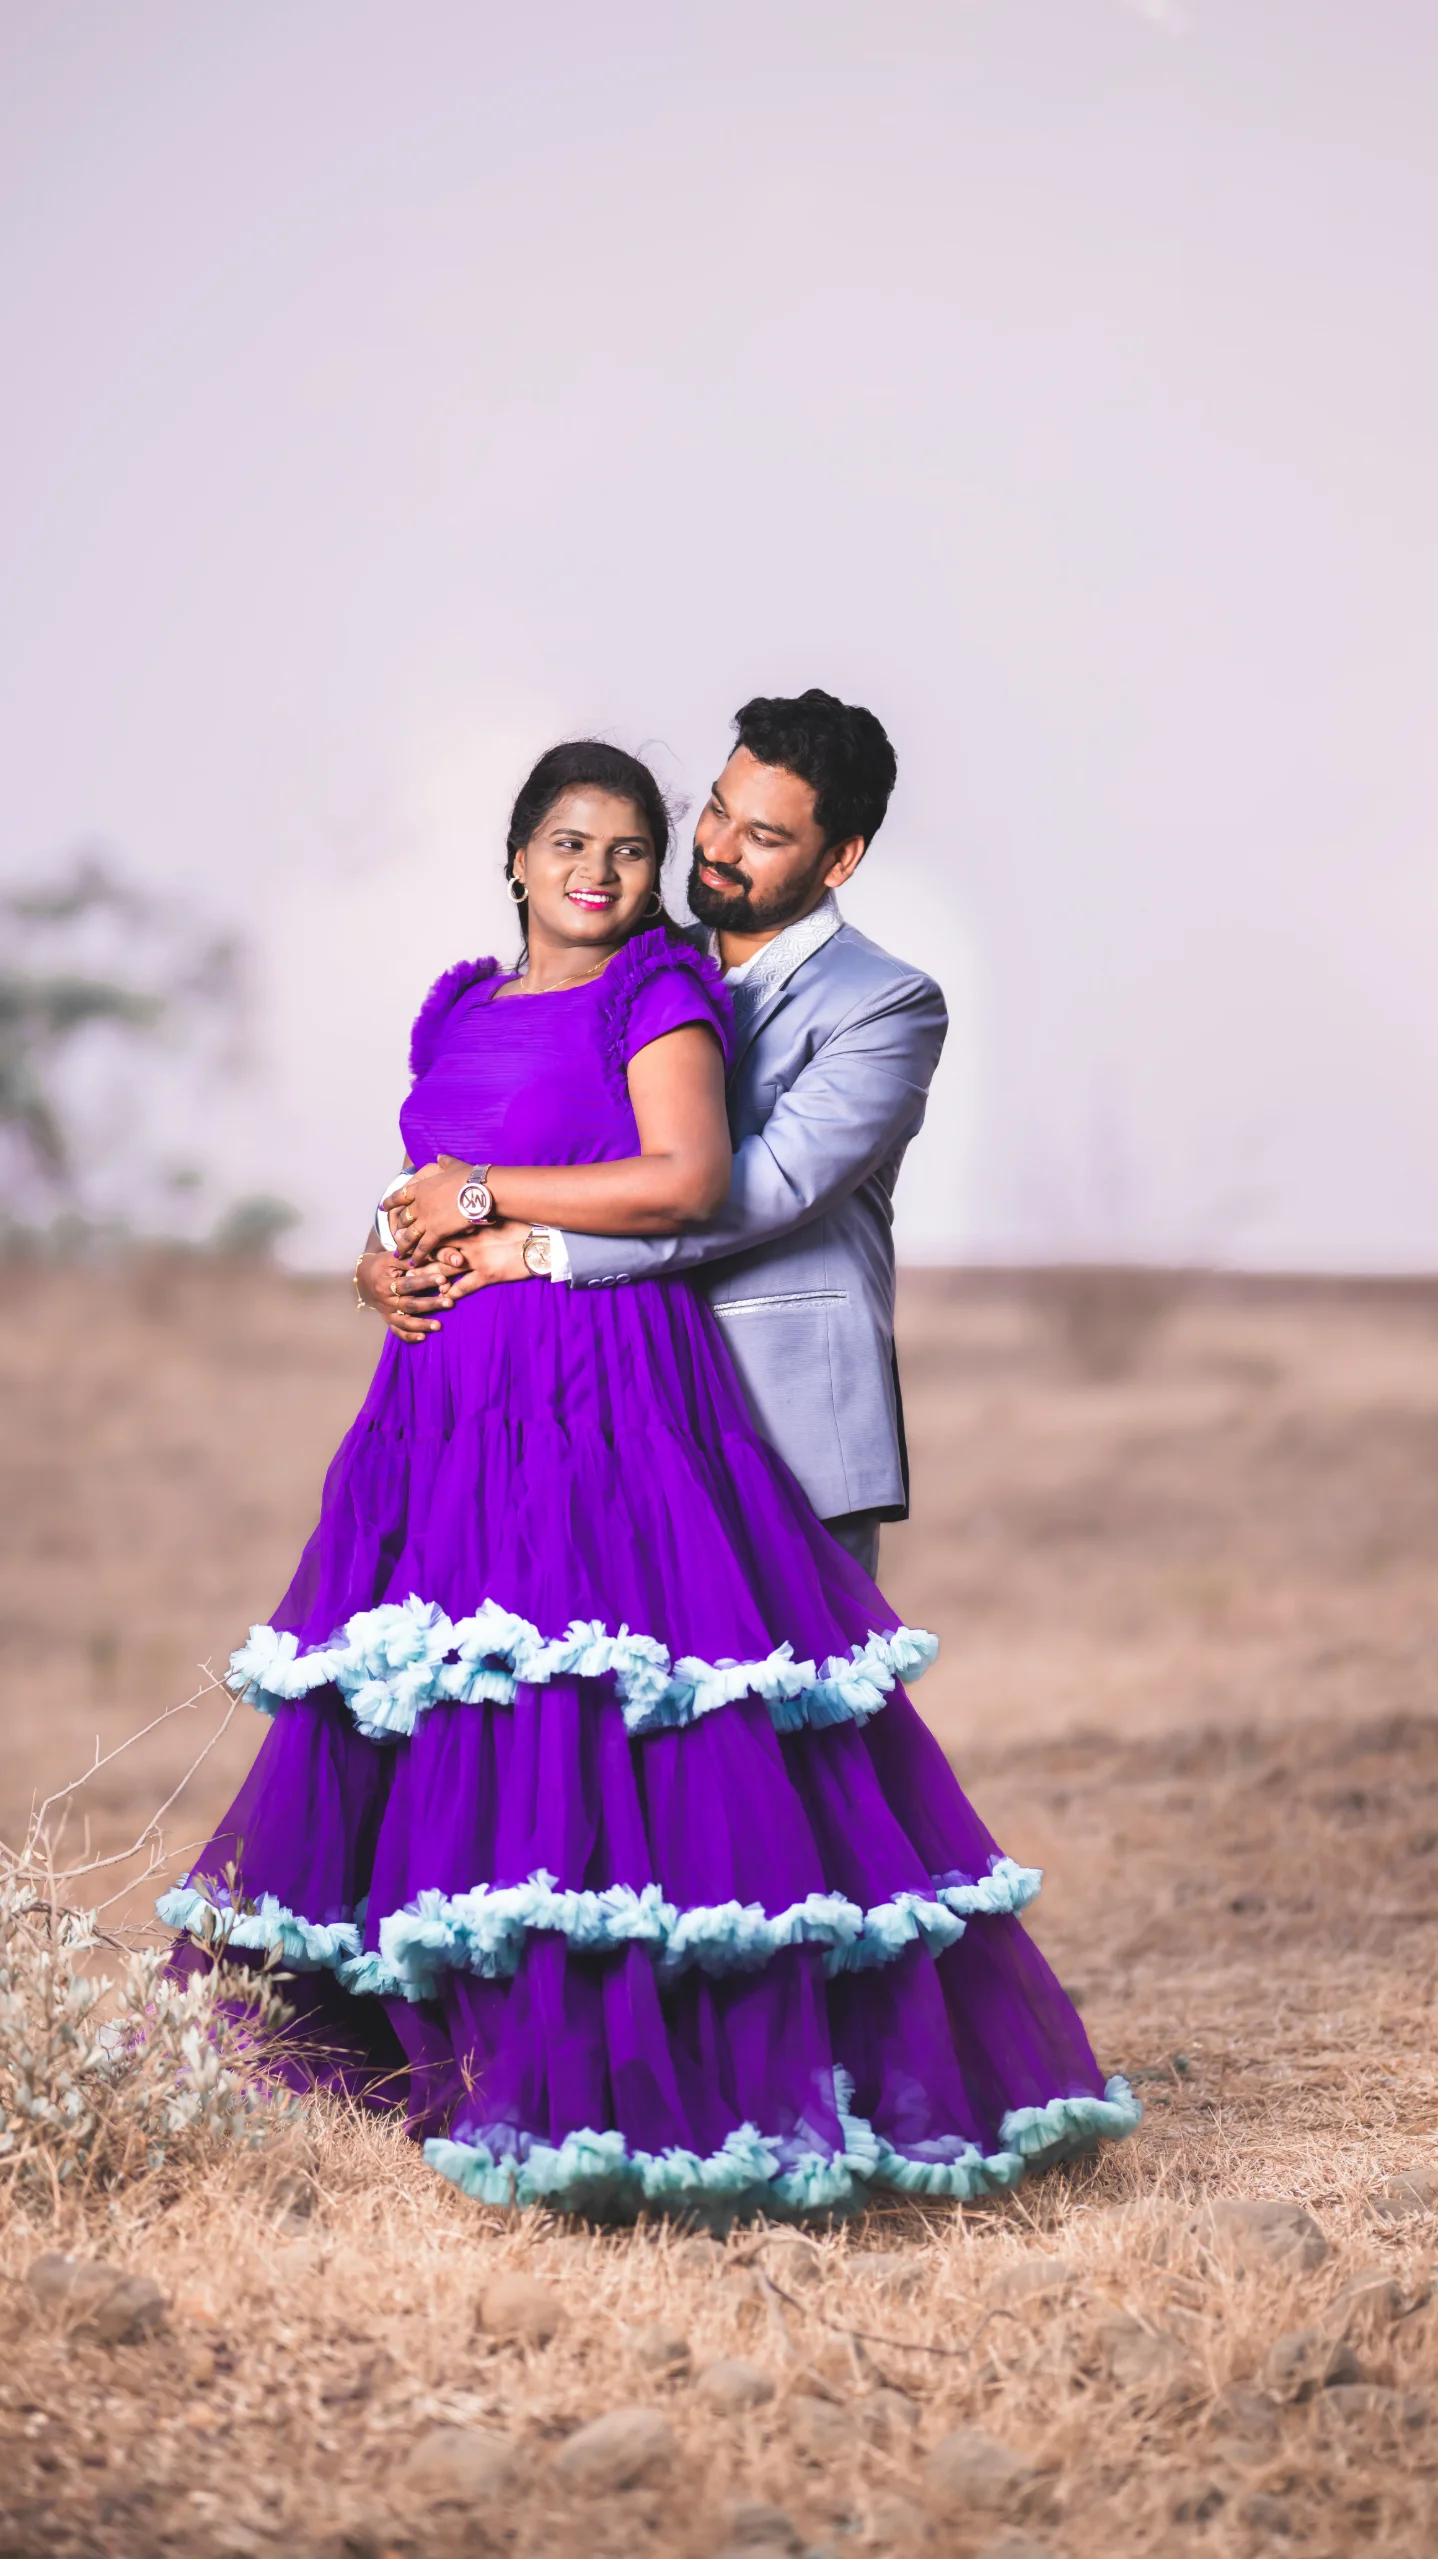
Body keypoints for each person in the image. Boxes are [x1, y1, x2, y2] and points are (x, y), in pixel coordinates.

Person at [162, 736, 1138, 2221]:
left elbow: (716, 1185)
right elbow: (433, 1172)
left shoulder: (718, 992)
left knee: (703, 1761)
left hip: (638, 1398)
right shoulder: (481, 998)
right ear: (514, 855)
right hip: (448, 1411)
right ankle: (456, 2060)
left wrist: (504, 1222)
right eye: (581, 841)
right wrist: (384, 1258)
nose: (628, 865)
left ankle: (725, 2085)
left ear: (835, 854)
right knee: (466, 1728)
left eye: (637, 846)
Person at [417, 691, 946, 1583]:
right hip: (616, 1410)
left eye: (763, 836)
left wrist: (538, 1247)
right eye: (716, 809)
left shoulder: (885, 1005)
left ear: (840, 858)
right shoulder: (631, 964)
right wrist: (391, 1244)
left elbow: (757, 1190)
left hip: (784, 1422)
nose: (716, 847)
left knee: (797, 1678)